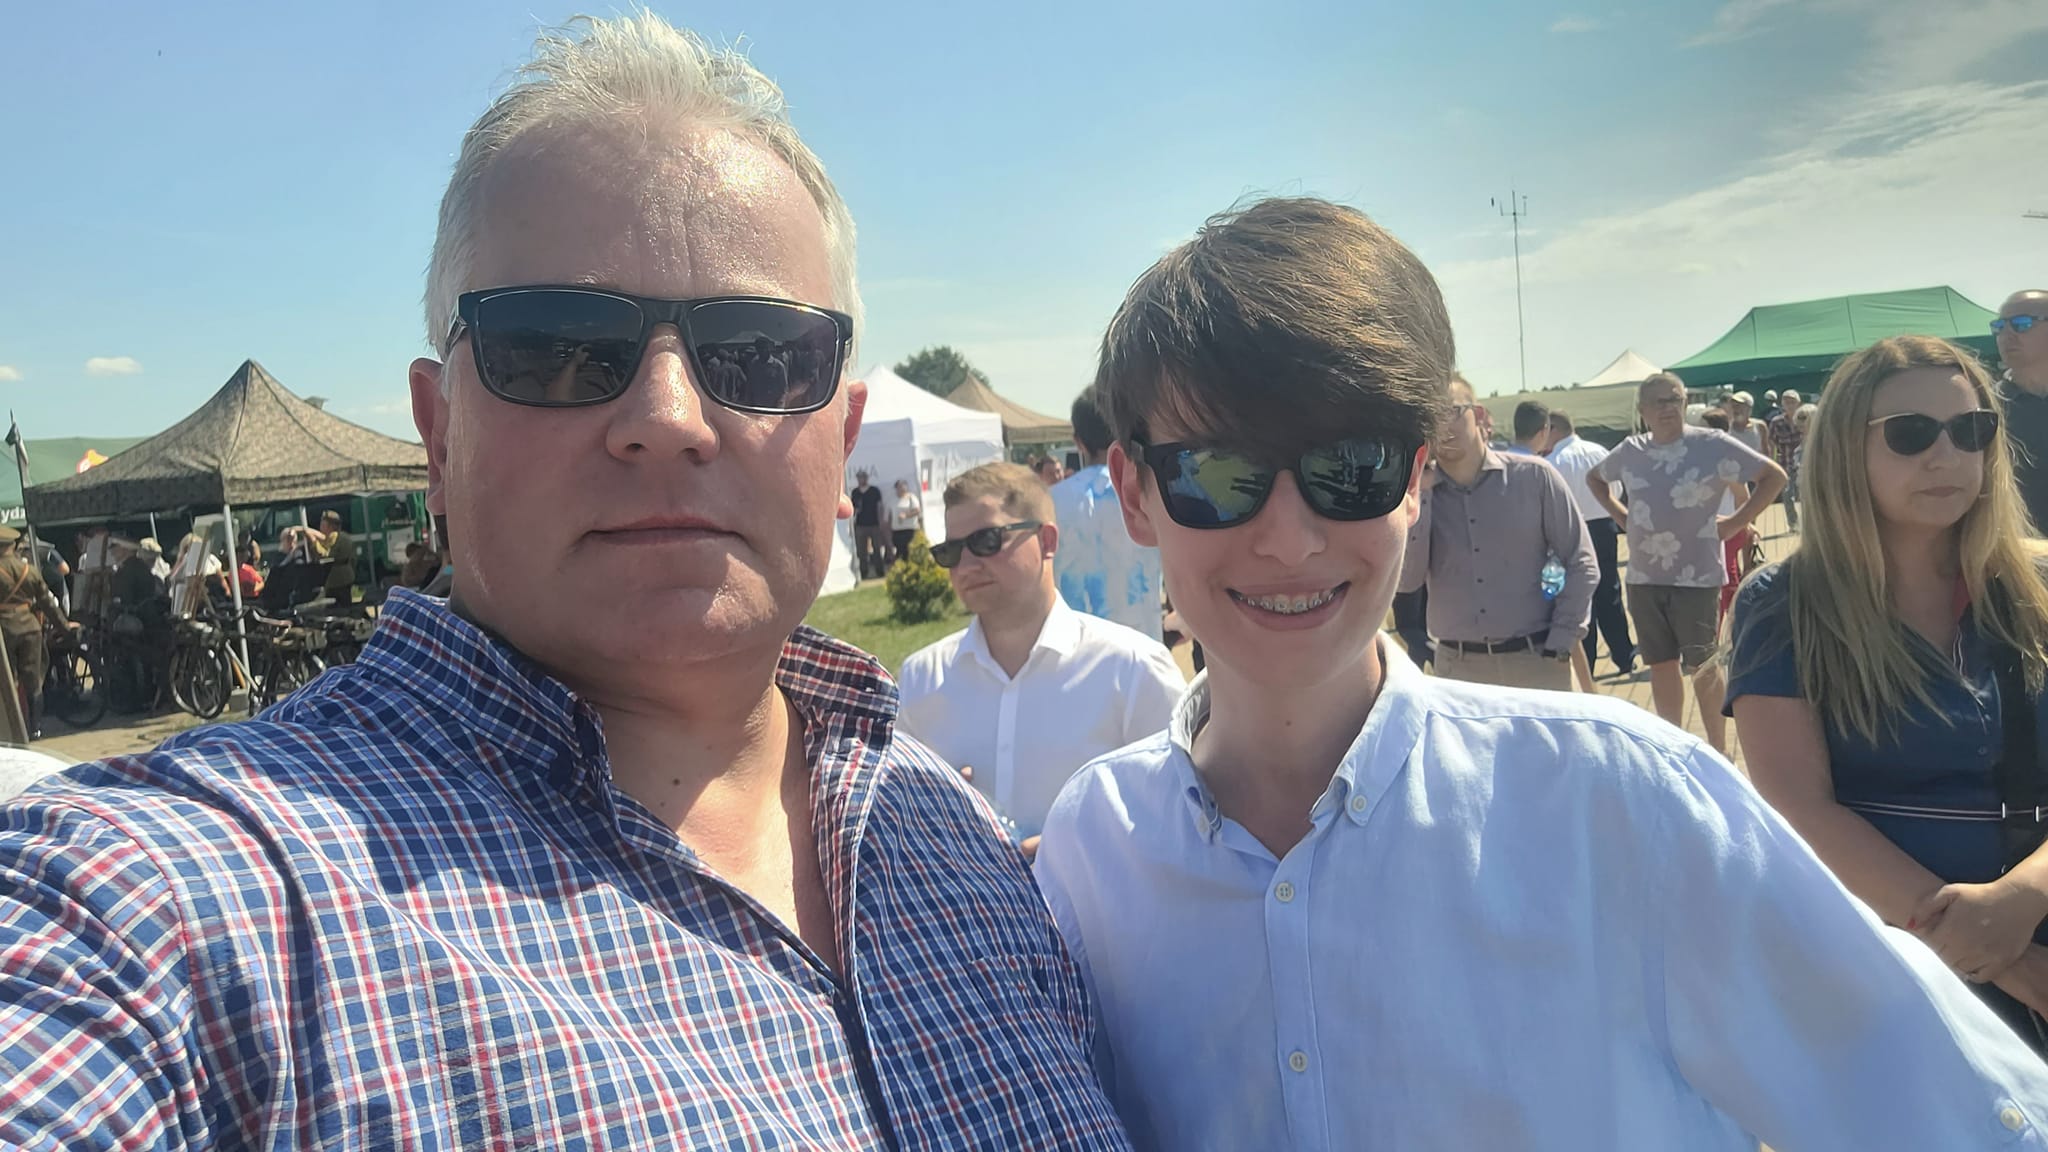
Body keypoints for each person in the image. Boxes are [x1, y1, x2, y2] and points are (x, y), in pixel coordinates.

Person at [0, 16, 1129, 1150]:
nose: (668, 418)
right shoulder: (175, 906)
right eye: (555, 349)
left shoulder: (950, 837)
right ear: (439, 436)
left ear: (839, 439)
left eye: (761, 353)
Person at [1032, 195, 2048, 1151]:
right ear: (1134, 492)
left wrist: (1563, 625)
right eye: (1218, 474)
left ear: (1413, 482)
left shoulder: (1620, 802)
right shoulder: (1095, 849)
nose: (1290, 539)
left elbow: (1962, 1114)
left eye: (1352, 467)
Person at [1728, 334, 2048, 1055]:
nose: (1946, 455)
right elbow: (1798, 806)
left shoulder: (2037, 585)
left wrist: (2023, 898)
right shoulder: (1785, 604)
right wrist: (2000, 955)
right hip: (1887, 970)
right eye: (1910, 434)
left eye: (1971, 430)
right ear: (1846, 450)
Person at [898, 463, 1183, 856]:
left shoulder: (1133, 670)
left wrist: (1075, 848)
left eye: (986, 541)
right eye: (950, 552)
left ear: (1047, 540)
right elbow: (895, 826)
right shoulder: (920, 680)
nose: (966, 566)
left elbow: (1184, 818)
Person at [1587, 372, 1784, 753]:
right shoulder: (1630, 451)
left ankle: (1718, 750)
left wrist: (1738, 523)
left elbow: (1773, 477)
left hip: (1697, 576)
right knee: (1661, 664)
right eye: (1658, 402)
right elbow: (1595, 478)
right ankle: (1671, 747)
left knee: (1703, 667)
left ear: (1685, 403)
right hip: (1644, 577)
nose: (1668, 408)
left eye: (1674, 399)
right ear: (1643, 410)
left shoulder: (1711, 445)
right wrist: (1622, 517)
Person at [1398, 376, 1595, 691]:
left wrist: (1561, 641)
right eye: (1430, 417)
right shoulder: (1418, 496)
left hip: (1536, 660)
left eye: (1450, 411)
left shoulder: (1533, 478)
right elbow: (1408, 580)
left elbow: (1580, 560)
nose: (1441, 425)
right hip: (1458, 670)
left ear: (1477, 414)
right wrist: (1421, 494)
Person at [1050, 387, 1165, 641]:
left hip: (1076, 648)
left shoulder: (1052, 502)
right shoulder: (1152, 492)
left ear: (1079, 442)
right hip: (1145, 642)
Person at [1546, 409, 1636, 681]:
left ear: (1553, 430)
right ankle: (1624, 654)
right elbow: (1617, 490)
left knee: (1581, 596)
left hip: (1573, 530)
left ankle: (1589, 663)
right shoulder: (1599, 451)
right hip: (1605, 524)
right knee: (1610, 591)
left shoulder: (1553, 462)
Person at [0, 527, 68, 740]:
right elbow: (48, 603)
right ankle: (35, 728)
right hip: (30, 628)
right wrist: (64, 627)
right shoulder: (29, 570)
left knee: (6, 681)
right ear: (13, 546)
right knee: (34, 681)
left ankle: (10, 728)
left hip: (4, 630)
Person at [1995, 290, 2048, 532]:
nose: (2007, 335)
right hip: (2017, 548)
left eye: (2022, 323)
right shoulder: (1982, 407)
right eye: (1999, 326)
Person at [1700, 408, 1757, 621]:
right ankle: (1721, 628)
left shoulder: (1725, 461)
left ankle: (1734, 626)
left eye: (1701, 428)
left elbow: (1743, 496)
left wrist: (1742, 523)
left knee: (1728, 582)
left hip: (1727, 527)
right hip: (1709, 529)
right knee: (1720, 583)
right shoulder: (1702, 459)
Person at [1770, 388, 1808, 531]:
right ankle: (1793, 524)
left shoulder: (1806, 419)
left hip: (1804, 463)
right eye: (1786, 402)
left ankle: (1808, 523)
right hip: (1785, 463)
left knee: (1805, 494)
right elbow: (1772, 443)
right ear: (1782, 404)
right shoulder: (1776, 422)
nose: (1790, 405)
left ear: (1799, 403)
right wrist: (1772, 462)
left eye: (1792, 402)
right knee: (1787, 495)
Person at [310, 509, 357, 603]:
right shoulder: (345, 537)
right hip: (346, 578)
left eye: (323, 525)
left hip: (337, 580)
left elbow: (325, 556)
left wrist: (314, 542)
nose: (321, 527)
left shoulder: (334, 537)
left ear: (331, 526)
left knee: (335, 607)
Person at [849, 468, 888, 577]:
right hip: (860, 525)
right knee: (861, 551)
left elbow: (879, 506)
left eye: (863, 477)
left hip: (874, 524)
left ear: (866, 478)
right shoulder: (855, 492)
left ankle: (880, 571)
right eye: (859, 478)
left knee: (877, 549)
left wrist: (881, 521)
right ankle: (864, 572)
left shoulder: (874, 491)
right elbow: (853, 508)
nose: (861, 479)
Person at [888, 477, 922, 564]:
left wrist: (906, 515)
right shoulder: (892, 500)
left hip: (909, 530)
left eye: (903, 486)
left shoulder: (911, 498)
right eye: (899, 487)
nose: (901, 488)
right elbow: (889, 515)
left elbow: (917, 511)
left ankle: (910, 567)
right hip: (897, 531)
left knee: (909, 552)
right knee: (899, 552)